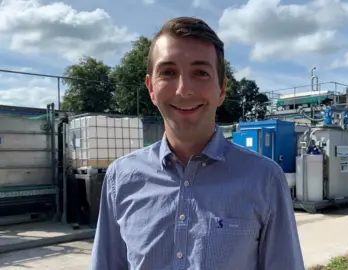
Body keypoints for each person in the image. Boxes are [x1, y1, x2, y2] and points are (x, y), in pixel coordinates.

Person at [90, 16, 304, 270]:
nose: (184, 89)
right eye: (168, 72)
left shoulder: (264, 180)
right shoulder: (121, 178)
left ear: (222, 89)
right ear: (151, 88)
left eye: (200, 73)